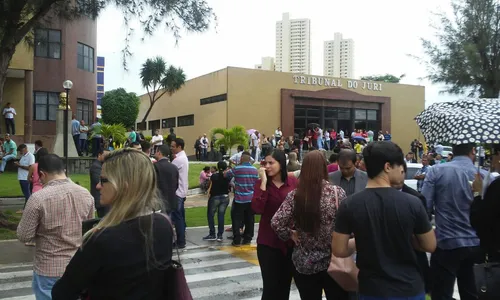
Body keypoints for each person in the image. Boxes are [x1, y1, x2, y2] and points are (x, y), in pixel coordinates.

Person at [51, 148, 173, 299]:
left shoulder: (102, 239)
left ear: (123, 186)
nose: (98, 186)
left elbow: (62, 292)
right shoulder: (164, 225)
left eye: (103, 180)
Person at [333, 141, 436, 300]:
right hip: (409, 288)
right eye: (399, 165)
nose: (402, 169)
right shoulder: (412, 202)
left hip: (371, 290)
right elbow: (430, 245)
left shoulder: (350, 205)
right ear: (388, 167)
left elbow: (339, 250)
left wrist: (361, 240)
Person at [271, 150, 349, 300]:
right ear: (324, 168)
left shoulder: (296, 195)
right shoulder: (337, 193)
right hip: (333, 261)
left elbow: (276, 222)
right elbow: (348, 225)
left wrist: (290, 234)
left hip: (304, 262)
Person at [17, 154, 95, 299]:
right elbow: (88, 231)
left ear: (42, 174)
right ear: (63, 170)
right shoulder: (86, 194)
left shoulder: (38, 198)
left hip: (48, 268)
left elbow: (24, 235)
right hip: (77, 266)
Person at [422, 143, 491, 300]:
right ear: (473, 151)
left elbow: (424, 205)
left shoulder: (436, 171)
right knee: (472, 293)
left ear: (452, 151)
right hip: (475, 243)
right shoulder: (485, 176)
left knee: (441, 293)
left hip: (446, 241)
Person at [252, 149, 298, 299]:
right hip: (268, 242)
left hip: (289, 241)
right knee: (270, 287)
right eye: (265, 163)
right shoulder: (261, 183)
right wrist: (264, 183)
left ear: (281, 163)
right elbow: (257, 209)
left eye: (271, 163)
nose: (267, 166)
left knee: (284, 287)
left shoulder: (292, 183)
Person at [391, 162, 432, 294]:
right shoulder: (376, 197)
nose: (399, 177)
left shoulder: (416, 198)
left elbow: (426, 234)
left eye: (402, 172)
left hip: (412, 259)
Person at [471, 144, 500, 262]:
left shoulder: (497, 187)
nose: (491, 161)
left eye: (492, 156)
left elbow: (480, 220)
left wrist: (478, 194)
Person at [225, 151, 259, 246]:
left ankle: (236, 239)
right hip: (251, 198)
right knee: (249, 219)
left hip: (240, 198)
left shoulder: (237, 169)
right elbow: (257, 183)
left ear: (241, 159)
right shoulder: (255, 170)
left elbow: (226, 175)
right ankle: (248, 238)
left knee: (236, 219)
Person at [203, 160, 231, 242]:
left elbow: (210, 185)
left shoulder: (214, 176)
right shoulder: (227, 176)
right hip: (225, 197)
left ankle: (212, 234)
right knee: (221, 215)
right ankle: (220, 235)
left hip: (215, 197)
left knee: (210, 215)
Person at [170, 137, 189, 249]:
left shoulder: (179, 160)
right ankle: (181, 240)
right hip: (181, 192)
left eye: (173, 146)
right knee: (180, 217)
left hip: (177, 192)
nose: (171, 148)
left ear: (179, 147)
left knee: (178, 218)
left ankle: (181, 241)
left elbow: (169, 170)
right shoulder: (181, 157)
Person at [154, 145, 179, 215]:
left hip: (159, 202)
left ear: (159, 153)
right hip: (171, 201)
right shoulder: (174, 167)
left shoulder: (155, 166)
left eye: (155, 151)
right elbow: (177, 184)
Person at [90, 149, 110, 218]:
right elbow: (99, 181)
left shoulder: (103, 165)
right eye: (106, 155)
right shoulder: (96, 166)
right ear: (99, 155)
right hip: (100, 200)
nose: (107, 157)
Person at [15, 144, 35, 210]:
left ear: (25, 148)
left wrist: (19, 165)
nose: (20, 152)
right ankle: (26, 208)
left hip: (25, 177)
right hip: (21, 177)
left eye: (21, 150)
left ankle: (30, 208)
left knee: (27, 194)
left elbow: (31, 168)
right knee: (26, 194)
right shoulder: (23, 156)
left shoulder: (30, 156)